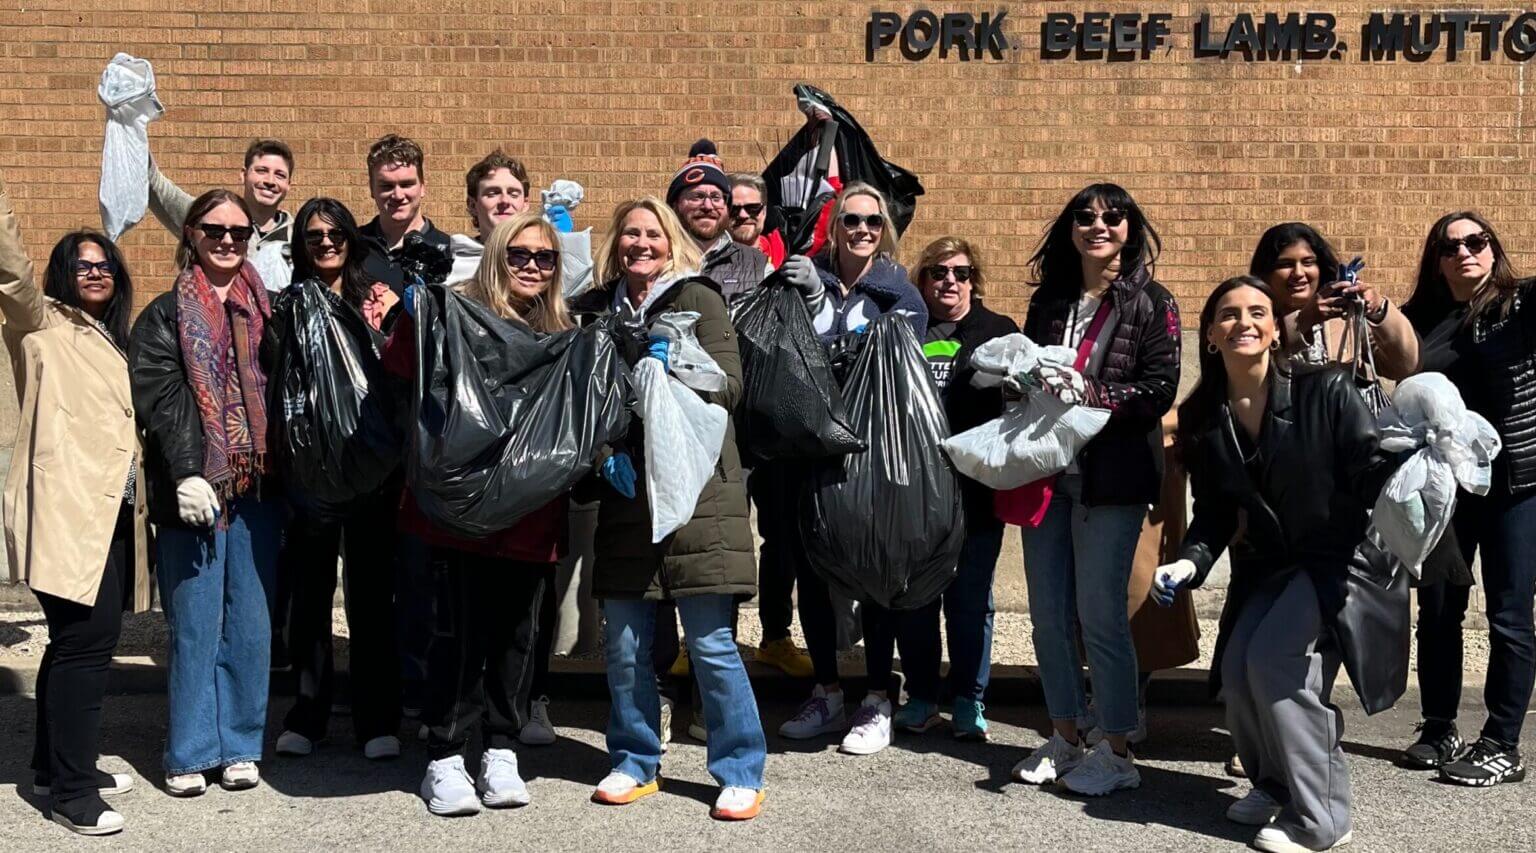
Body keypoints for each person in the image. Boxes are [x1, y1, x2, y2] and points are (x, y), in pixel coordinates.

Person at [1158, 275, 1404, 852]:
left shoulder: (1328, 390)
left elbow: (1370, 468)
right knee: (1237, 668)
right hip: (1269, 565)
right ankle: (1273, 784)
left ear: (1275, 330)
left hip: (1340, 559)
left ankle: (1323, 818)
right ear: (1210, 334)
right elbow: (1215, 513)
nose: (1242, 322)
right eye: (1228, 314)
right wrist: (1188, 563)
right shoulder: (1202, 418)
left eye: (1256, 312)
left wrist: (1416, 474)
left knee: (1275, 662)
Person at [568, 198, 767, 821]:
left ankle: (740, 770)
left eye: (653, 233)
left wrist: (677, 359)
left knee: (710, 642)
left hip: (699, 491)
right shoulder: (597, 312)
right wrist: (603, 457)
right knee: (625, 644)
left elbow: (731, 387)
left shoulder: (698, 298)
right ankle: (634, 760)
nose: (641, 243)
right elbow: (581, 404)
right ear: (616, 243)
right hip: (629, 497)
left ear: (671, 241)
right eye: (630, 233)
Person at [380, 211, 573, 815]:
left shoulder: (564, 330)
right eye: (519, 254)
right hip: (459, 508)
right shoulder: (456, 311)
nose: (532, 266)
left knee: (517, 635)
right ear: (496, 256)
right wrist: (413, 317)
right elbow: (401, 369)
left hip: (530, 513)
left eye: (544, 257)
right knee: (455, 634)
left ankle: (501, 747)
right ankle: (444, 753)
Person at [1009, 183, 1180, 796]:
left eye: (1113, 217)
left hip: (1113, 478)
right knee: (1048, 616)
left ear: (1131, 228)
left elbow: (1160, 388)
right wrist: (1019, 382)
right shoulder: (1050, 301)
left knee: (1100, 615)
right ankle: (1064, 736)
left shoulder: (1153, 302)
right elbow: (1031, 375)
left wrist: (1093, 394)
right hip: (1048, 472)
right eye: (1085, 217)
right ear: (1071, 229)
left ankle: (1117, 749)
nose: (1098, 226)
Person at [0, 176, 148, 836]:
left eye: (104, 264)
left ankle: (51, 764)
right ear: (62, 274)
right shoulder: (40, 324)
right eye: (82, 264)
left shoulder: (107, 336)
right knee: (88, 645)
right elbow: (11, 273)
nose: (95, 272)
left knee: (71, 643)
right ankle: (73, 791)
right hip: (67, 511)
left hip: (110, 512)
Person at [129, 189, 284, 797]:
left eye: (239, 232)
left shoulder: (267, 308)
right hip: (193, 489)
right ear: (191, 234)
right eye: (214, 230)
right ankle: (190, 750)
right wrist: (188, 471)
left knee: (249, 623)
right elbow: (162, 397)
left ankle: (241, 744)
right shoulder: (165, 314)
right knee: (195, 623)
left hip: (258, 488)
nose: (226, 241)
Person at [775, 183, 928, 756]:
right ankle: (827, 690)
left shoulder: (900, 294)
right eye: (851, 220)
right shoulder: (802, 277)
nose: (862, 229)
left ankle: (878, 697)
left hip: (872, 452)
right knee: (812, 570)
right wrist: (804, 294)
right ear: (834, 227)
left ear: (884, 230)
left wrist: (822, 311)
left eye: (872, 221)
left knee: (874, 571)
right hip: (809, 449)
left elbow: (883, 362)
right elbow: (786, 352)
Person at [1399, 212, 1536, 786]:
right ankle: (1439, 727)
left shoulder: (1520, 304)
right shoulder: (1420, 319)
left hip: (1513, 485)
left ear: (1493, 248)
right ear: (1436, 260)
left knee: (1509, 614)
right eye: (1450, 246)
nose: (1465, 253)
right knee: (1437, 608)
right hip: (1443, 487)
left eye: (1476, 241)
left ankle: (1502, 743)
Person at [266, 197, 402, 762]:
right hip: (311, 473)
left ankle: (377, 720)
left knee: (372, 600)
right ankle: (308, 713)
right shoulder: (289, 305)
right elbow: (275, 377)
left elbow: (403, 366)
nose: (325, 243)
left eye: (335, 234)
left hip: (373, 470)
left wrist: (389, 319)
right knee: (310, 599)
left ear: (350, 238)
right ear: (300, 246)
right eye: (314, 236)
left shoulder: (377, 298)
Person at [895, 237, 1017, 741]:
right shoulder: (905, 329)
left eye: (961, 273)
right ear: (922, 280)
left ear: (974, 281)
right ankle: (922, 697)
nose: (950, 281)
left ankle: (969, 699)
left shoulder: (998, 331)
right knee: (916, 599)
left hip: (975, 493)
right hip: (914, 490)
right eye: (938, 272)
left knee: (970, 601)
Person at [1249, 222, 1418, 380]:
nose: (1299, 273)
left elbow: (1403, 366)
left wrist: (1379, 310)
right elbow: (1248, 370)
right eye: (1286, 264)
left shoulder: (1345, 318)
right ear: (1265, 273)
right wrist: (1301, 323)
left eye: (1308, 262)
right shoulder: (1250, 317)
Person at [146, 138, 296, 292]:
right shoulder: (206, 217)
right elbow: (154, 184)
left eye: (280, 175)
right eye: (262, 171)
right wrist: (134, 133)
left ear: (289, 184)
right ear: (243, 174)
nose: (270, 181)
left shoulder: (301, 237)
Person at [666, 139, 769, 303]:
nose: (708, 206)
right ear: (675, 205)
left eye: (716, 197)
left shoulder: (758, 265)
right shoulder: (656, 260)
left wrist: (812, 296)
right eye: (697, 196)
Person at [359, 134, 452, 289]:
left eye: (406, 184)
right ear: (371, 189)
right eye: (386, 186)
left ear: (422, 187)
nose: (398, 195)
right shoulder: (353, 247)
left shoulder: (447, 252)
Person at [727, 172, 786, 269]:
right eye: (734, 209)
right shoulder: (708, 259)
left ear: (764, 212)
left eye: (753, 208)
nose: (743, 215)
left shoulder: (782, 251)